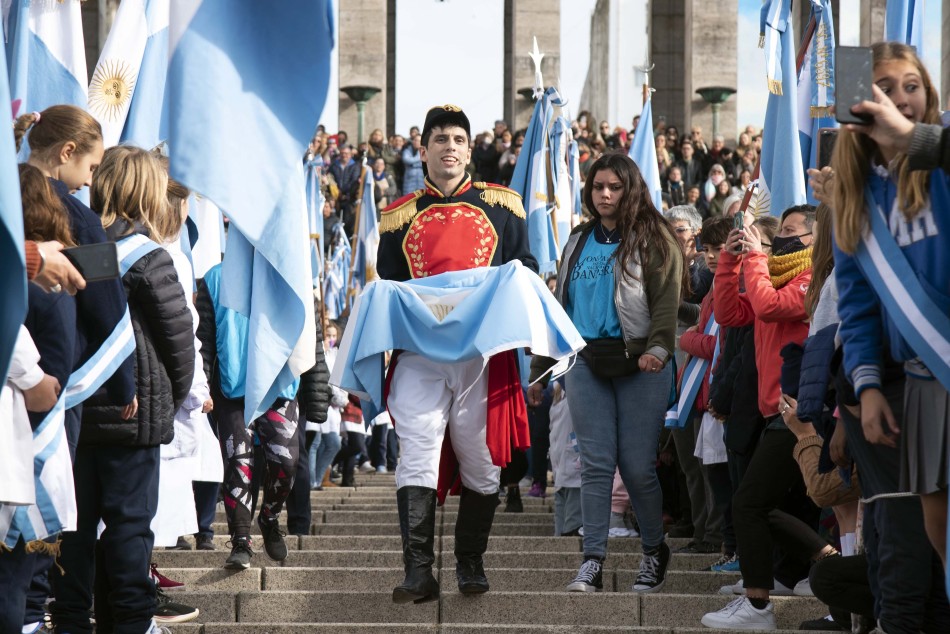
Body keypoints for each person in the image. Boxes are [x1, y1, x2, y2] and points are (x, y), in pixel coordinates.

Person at [375, 104, 538, 603]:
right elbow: (389, 283)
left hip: (479, 357)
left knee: (482, 460)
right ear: (422, 151)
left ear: (470, 150)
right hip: (420, 353)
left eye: (458, 139)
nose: (450, 146)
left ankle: (470, 561)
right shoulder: (397, 217)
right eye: (440, 138)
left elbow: (525, 269)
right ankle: (418, 572)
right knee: (417, 454)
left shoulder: (503, 206)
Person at [51, 146, 196, 634]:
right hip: (133, 415)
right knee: (129, 527)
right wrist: (169, 405)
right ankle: (130, 622)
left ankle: (70, 620)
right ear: (148, 191)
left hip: (74, 412)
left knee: (74, 525)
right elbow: (179, 345)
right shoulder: (149, 256)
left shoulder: (70, 244)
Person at [529, 152, 684, 594]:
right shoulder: (577, 239)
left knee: (636, 468)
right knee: (594, 465)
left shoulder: (654, 237)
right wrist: (541, 370)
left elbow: (666, 301)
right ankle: (592, 560)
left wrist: (658, 348)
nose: (605, 195)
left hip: (641, 362)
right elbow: (559, 309)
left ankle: (654, 551)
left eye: (614, 187)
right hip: (584, 361)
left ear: (630, 188)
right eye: (598, 187)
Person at [702, 204, 816, 630]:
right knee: (777, 502)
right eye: (780, 229)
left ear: (814, 239)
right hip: (776, 410)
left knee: (750, 502)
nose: (781, 237)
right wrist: (731, 259)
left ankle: (758, 602)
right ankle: (802, 569)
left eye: (791, 231)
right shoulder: (775, 276)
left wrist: (753, 256)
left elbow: (768, 307)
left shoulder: (814, 280)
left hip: (802, 409)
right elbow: (732, 313)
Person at [196, 259, 300, 570]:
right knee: (238, 464)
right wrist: (201, 385)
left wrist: (318, 389)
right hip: (232, 390)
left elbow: (310, 333)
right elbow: (203, 340)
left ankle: (269, 517)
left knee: (287, 465)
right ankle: (240, 540)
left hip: (279, 387)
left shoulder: (288, 273)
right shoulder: (215, 277)